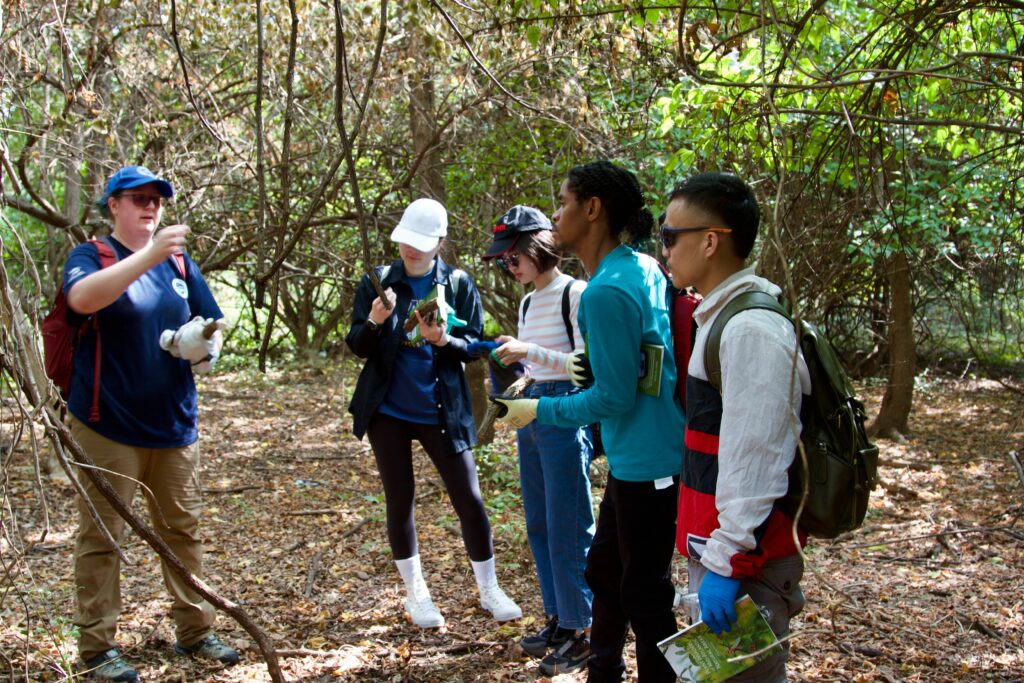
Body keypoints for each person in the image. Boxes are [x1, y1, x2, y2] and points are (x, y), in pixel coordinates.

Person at [494, 161, 685, 683]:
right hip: (637, 457)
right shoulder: (640, 266)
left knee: (645, 595)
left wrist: (539, 409)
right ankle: (602, 667)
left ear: (593, 209)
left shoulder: (602, 291)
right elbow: (644, 356)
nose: (555, 215)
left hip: (650, 461)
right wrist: (583, 363)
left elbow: (614, 397)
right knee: (604, 570)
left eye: (563, 202)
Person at [64, 165, 236, 682]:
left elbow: (212, 319)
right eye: (137, 198)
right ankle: (98, 648)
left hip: (174, 422)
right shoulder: (92, 256)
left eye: (157, 200)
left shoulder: (180, 263)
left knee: (182, 529)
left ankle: (196, 629)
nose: (149, 207)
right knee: (102, 535)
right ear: (112, 205)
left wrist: (207, 348)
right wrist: (148, 255)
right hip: (107, 423)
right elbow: (82, 300)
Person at [345, 197, 521, 630]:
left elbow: (475, 347)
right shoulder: (380, 281)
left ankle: (489, 587)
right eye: (407, 242)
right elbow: (356, 347)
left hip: (441, 407)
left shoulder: (458, 283)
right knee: (399, 498)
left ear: (440, 243)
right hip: (389, 409)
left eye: (422, 244)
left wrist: (443, 340)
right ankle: (416, 593)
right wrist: (373, 320)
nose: (412, 251)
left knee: (469, 498)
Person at [662, 172, 809, 681]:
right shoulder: (720, 318)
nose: (665, 250)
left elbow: (759, 456)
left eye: (670, 236)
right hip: (725, 556)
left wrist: (726, 563)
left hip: (748, 566)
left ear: (709, 240)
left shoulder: (750, 329)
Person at [481, 206, 595, 675]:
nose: (511, 269)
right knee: (540, 522)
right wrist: (517, 362)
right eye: (504, 262)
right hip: (531, 410)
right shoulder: (528, 303)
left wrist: (529, 351)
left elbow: (587, 368)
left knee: (568, 522)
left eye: (513, 258)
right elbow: (538, 367)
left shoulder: (576, 293)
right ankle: (559, 620)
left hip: (566, 411)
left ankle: (582, 628)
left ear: (538, 246)